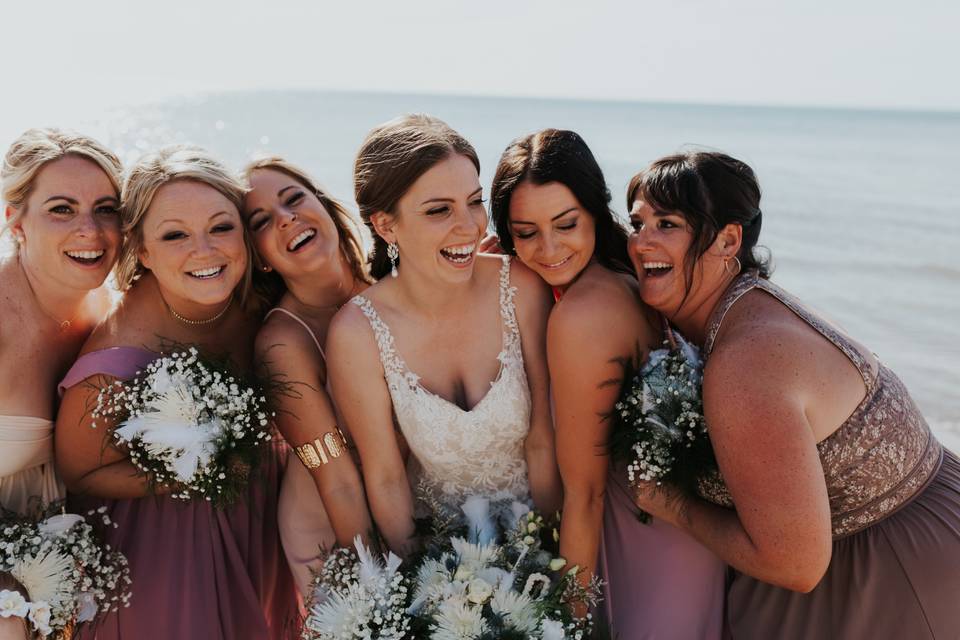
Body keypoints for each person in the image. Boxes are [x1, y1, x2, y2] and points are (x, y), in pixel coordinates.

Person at [626, 150, 960, 638]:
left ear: (728, 240)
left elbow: (795, 565)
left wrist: (672, 504)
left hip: (892, 576)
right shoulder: (751, 299)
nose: (642, 242)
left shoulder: (746, 362)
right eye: (637, 223)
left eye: (668, 224)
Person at [489, 129, 725, 639]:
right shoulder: (626, 273)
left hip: (632, 547)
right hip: (675, 541)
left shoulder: (582, 317)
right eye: (526, 232)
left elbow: (587, 493)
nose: (548, 249)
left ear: (595, 209)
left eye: (566, 224)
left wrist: (566, 623)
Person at [55, 146, 297, 639]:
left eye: (221, 227)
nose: (204, 251)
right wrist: (190, 472)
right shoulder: (114, 362)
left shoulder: (261, 298)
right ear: (142, 251)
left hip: (262, 524)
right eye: (174, 235)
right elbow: (80, 470)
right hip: (160, 553)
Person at [327, 114, 562, 557]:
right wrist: (426, 590)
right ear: (385, 225)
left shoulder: (521, 288)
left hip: (542, 540)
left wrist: (552, 563)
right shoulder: (357, 333)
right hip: (441, 561)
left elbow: (543, 441)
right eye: (439, 210)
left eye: (474, 202)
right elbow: (386, 477)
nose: (470, 226)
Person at [242, 156, 373, 597]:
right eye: (261, 221)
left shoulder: (392, 283)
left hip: (416, 502)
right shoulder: (282, 345)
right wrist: (382, 586)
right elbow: (335, 479)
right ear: (258, 258)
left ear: (324, 204)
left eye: (293, 198)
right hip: (335, 526)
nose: (286, 219)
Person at [0, 128, 122, 515]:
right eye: (62, 209)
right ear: (16, 221)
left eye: (106, 209)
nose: (91, 230)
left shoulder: (113, 311)